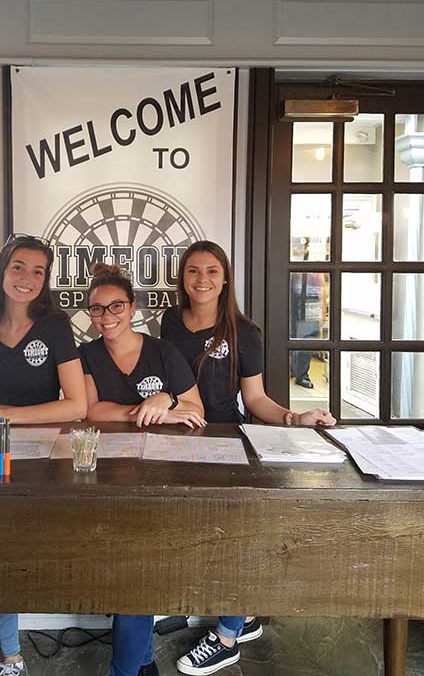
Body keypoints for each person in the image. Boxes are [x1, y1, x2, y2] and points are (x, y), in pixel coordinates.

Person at [161, 240, 336, 675]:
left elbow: (255, 399)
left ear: (225, 279)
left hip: (228, 442)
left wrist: (295, 417)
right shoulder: (169, 322)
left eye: (212, 271)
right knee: (187, 529)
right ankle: (230, 612)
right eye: (193, 271)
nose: (202, 280)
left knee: (233, 533)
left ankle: (227, 635)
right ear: (182, 278)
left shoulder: (245, 331)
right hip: (181, 439)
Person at [0, 234, 87, 676]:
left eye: (38, 271)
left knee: (23, 555)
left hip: (40, 457)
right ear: (3, 269)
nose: (27, 278)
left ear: (46, 281)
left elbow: (76, 405)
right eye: (19, 267)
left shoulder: (55, 325)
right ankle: (11, 654)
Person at [79, 263, 205, 676]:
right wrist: (148, 411)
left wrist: (167, 400)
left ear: (132, 307)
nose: (107, 316)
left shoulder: (164, 352)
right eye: (97, 309)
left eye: (115, 305)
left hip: (165, 475)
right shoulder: (87, 355)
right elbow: (92, 410)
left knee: (138, 572)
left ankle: (130, 668)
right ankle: (141, 662)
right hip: (108, 475)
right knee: (132, 572)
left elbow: (195, 410)